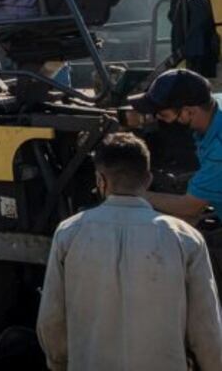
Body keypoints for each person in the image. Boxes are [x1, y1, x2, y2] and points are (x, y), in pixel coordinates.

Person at [37, 133, 222, 371]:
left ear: (100, 180)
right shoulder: (185, 239)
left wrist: (59, 363)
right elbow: (207, 330)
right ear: (148, 180)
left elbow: (51, 322)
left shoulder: (69, 234)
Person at [130, 68, 222, 224]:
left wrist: (135, 194)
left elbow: (190, 207)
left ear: (189, 111)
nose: (158, 119)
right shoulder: (213, 104)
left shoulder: (219, 147)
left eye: (163, 115)